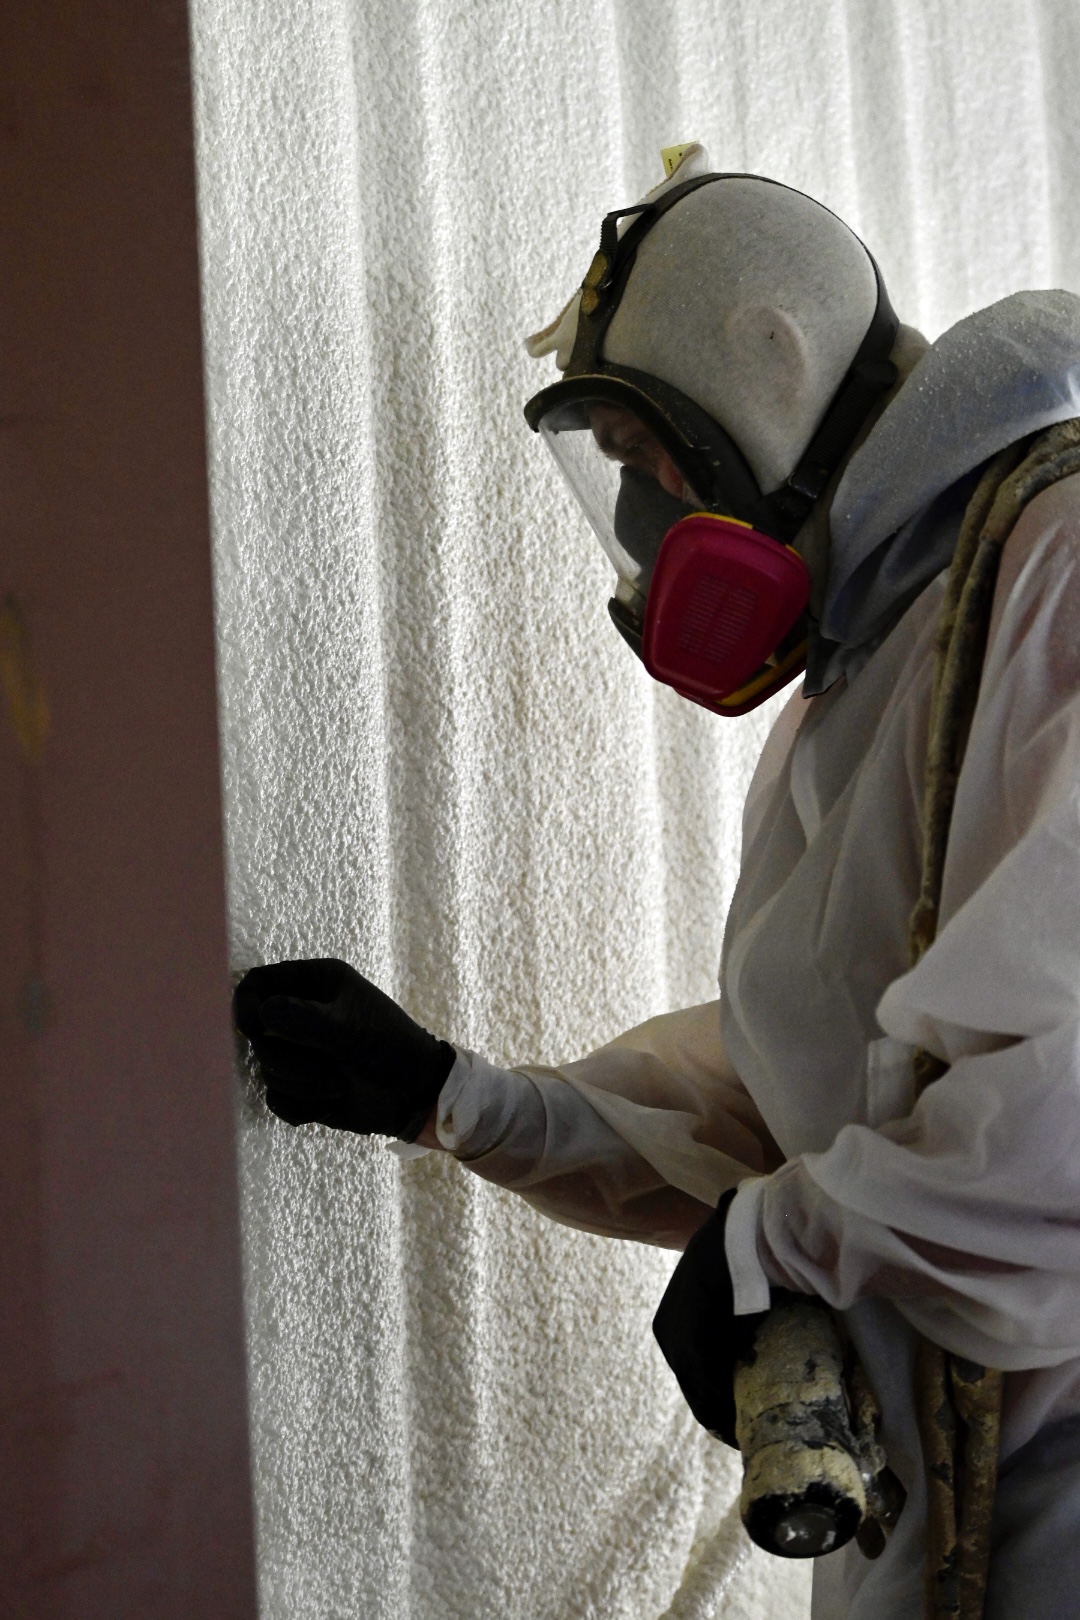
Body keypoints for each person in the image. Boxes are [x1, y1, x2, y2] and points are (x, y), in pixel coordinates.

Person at [233, 145, 1080, 1618]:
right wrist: (466, 1099)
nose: (638, 529)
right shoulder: (864, 684)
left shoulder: (1055, 568)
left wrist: (786, 1240)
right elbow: (816, 1100)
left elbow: (1057, 1110)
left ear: (774, 367)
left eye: (645, 460)